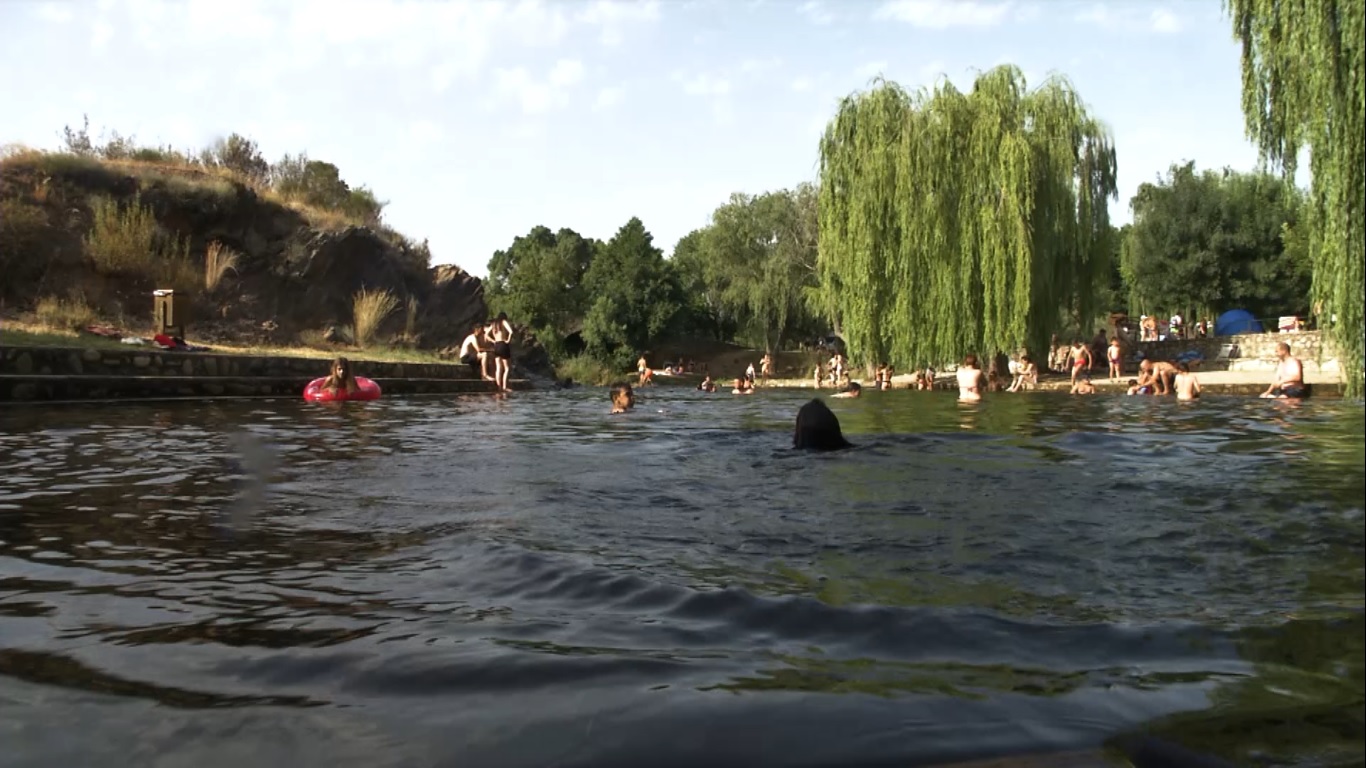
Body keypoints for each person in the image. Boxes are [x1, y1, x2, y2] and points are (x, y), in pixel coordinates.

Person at [489, 312, 513, 392]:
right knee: (507, 368)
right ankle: (504, 386)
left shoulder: (494, 324)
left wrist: (493, 341)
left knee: (498, 367)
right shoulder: (503, 322)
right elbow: (511, 331)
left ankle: (499, 387)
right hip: (503, 344)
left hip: (496, 345)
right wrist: (508, 340)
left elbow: (486, 334)